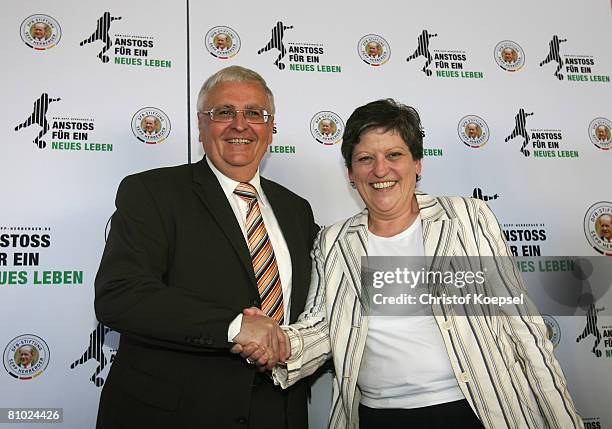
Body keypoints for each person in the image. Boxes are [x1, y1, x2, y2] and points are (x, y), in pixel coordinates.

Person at [237, 99, 583, 428]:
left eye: (394, 155)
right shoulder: (335, 241)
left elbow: (522, 327)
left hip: (476, 411)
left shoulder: (467, 219)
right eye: (365, 158)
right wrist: (275, 343)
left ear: (417, 164)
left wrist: (563, 422)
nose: (380, 169)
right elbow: (323, 328)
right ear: (351, 173)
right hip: (380, 418)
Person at [95, 65, 318, 429]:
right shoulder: (153, 193)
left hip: (277, 413)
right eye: (224, 112)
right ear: (201, 125)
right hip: (176, 414)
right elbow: (120, 295)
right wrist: (235, 327)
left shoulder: (297, 209)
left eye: (254, 114)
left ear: (271, 127)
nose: (240, 125)